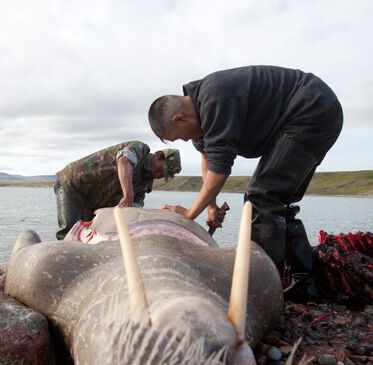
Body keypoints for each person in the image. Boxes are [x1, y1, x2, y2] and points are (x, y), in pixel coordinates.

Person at [148, 65, 343, 300]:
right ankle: (307, 284)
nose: (186, 139)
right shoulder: (199, 114)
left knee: (261, 196)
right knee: (279, 203)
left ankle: (262, 288)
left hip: (312, 109)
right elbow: (208, 159)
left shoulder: (215, 97)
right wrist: (210, 207)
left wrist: (190, 213)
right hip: (309, 114)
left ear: (179, 118)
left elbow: (220, 170)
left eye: (179, 136)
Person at [55, 141, 181, 240]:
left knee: (89, 235)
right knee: (69, 233)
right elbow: (124, 160)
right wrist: (128, 195)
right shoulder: (140, 149)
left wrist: (157, 217)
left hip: (93, 201)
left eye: (163, 175)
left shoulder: (145, 185)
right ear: (159, 156)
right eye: (162, 170)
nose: (159, 175)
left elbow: (133, 208)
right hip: (73, 184)